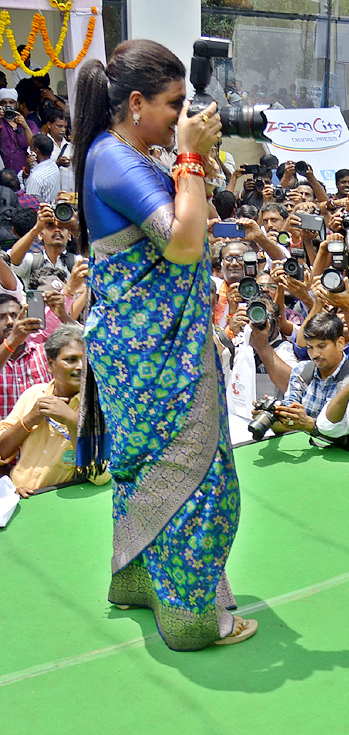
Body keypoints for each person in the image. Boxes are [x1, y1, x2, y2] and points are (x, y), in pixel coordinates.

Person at [74, 39, 256, 648]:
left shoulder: (126, 153)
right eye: (174, 104)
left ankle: (138, 580)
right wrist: (192, 160)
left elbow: (187, 222)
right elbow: (181, 244)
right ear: (134, 103)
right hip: (154, 359)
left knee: (145, 474)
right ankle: (191, 618)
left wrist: (193, 166)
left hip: (144, 352)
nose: (184, 116)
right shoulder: (115, 160)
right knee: (200, 481)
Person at [0, 323, 104, 496]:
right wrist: (29, 420)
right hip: (20, 500)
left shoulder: (98, 405)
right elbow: (2, 451)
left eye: (85, 359)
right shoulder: (34, 394)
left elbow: (99, 476)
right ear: (50, 364)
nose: (80, 366)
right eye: (71, 359)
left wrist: (72, 420)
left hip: (65, 504)